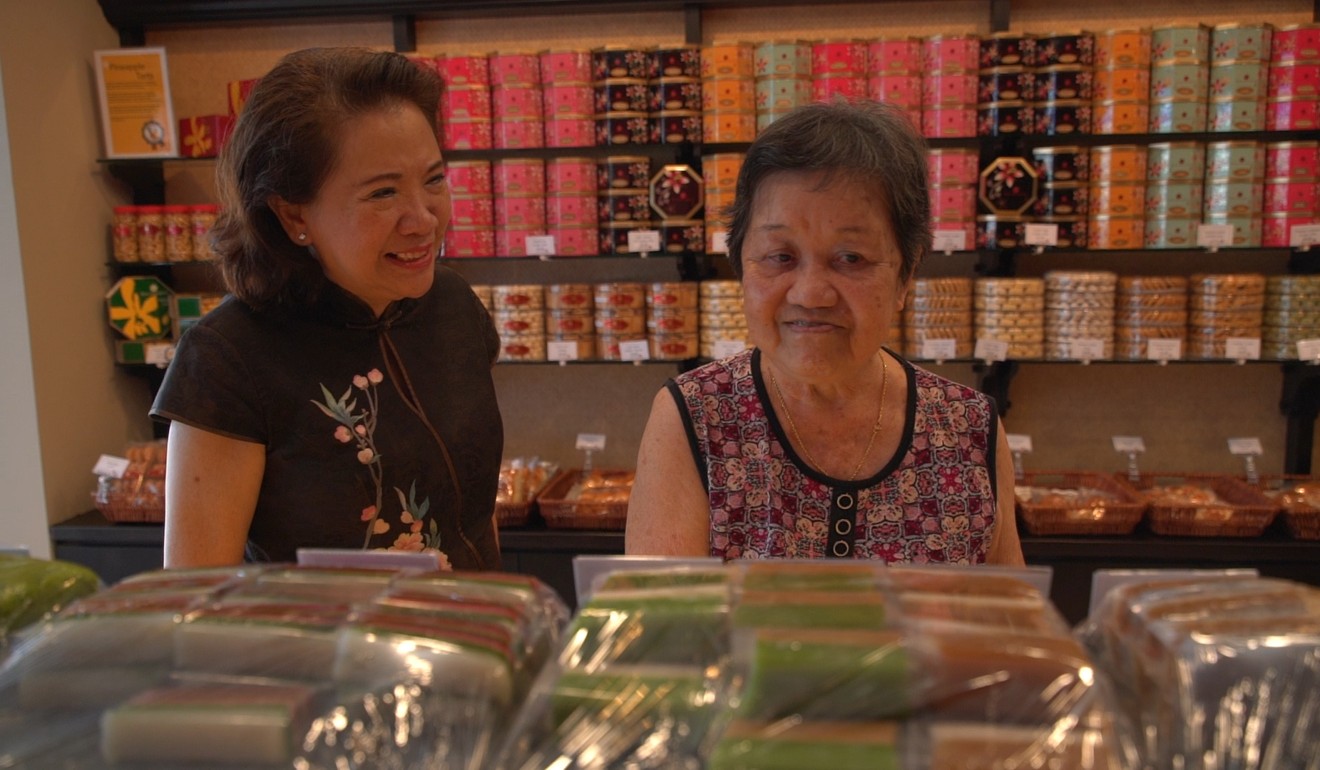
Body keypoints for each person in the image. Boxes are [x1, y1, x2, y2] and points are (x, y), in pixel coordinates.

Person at [626, 100, 1024, 566]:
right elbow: (662, 629)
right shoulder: (693, 417)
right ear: (741, 266)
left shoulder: (968, 427)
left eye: (850, 258)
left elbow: (1008, 628)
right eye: (780, 256)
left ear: (905, 275)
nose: (812, 294)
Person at [151, 47, 503, 570]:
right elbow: (197, 595)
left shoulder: (452, 306)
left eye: (433, 180)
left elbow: (474, 520)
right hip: (324, 651)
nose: (423, 219)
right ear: (293, 214)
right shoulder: (228, 358)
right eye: (383, 193)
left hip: (475, 639)